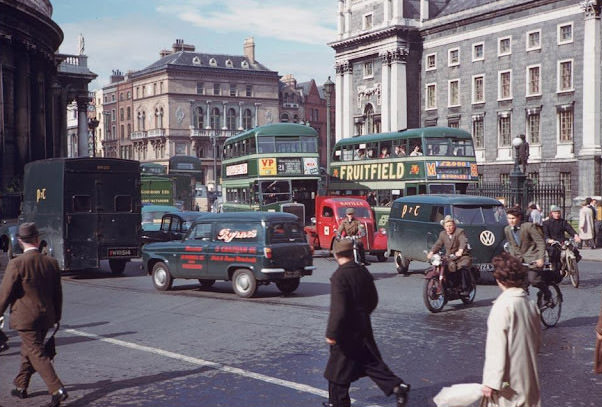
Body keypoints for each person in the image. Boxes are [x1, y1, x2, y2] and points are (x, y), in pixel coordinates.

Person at [323, 239, 410, 407]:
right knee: (369, 362)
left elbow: (338, 310)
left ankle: (337, 403)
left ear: (336, 255)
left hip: (345, 331)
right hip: (363, 326)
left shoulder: (339, 276)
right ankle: (397, 386)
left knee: (337, 370)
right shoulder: (362, 271)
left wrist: (331, 333)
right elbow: (373, 299)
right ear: (351, 253)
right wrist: (363, 315)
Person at [0, 223, 68, 407]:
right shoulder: (51, 262)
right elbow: (57, 294)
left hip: (25, 318)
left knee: (36, 352)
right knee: (29, 350)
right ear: (38, 239)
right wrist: (57, 317)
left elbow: (4, 294)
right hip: (46, 317)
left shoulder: (16, 263)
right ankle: (21, 385)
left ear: (20, 242)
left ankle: (57, 389)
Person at [482, 252, 542, 407]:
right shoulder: (530, 304)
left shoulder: (502, 307)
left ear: (499, 279)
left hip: (508, 381)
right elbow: (537, 343)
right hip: (528, 376)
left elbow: (496, 348)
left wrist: (491, 382)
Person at [503, 206, 551, 303]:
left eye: (513, 218)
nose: (510, 221)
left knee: (533, 280)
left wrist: (541, 258)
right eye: (508, 218)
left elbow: (540, 242)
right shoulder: (507, 229)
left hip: (533, 258)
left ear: (519, 218)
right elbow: (512, 245)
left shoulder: (528, 227)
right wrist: (512, 258)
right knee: (518, 284)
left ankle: (547, 292)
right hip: (520, 260)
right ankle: (523, 305)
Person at [426, 215, 472, 294]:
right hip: (449, 257)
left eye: (450, 225)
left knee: (462, 267)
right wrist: (431, 252)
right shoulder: (442, 234)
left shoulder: (459, 232)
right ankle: (448, 286)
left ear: (454, 225)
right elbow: (438, 244)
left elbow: (463, 241)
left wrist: (460, 251)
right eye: (447, 226)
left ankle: (465, 288)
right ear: (444, 226)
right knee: (445, 266)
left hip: (462, 256)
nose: (449, 227)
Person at [542, 205, 581, 275]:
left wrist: (575, 235)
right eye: (555, 213)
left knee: (575, 251)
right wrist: (548, 240)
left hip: (562, 241)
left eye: (558, 213)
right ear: (552, 213)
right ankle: (554, 267)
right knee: (554, 253)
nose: (557, 214)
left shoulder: (563, 222)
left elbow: (569, 229)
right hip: (553, 242)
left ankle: (570, 264)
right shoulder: (546, 223)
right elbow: (545, 234)